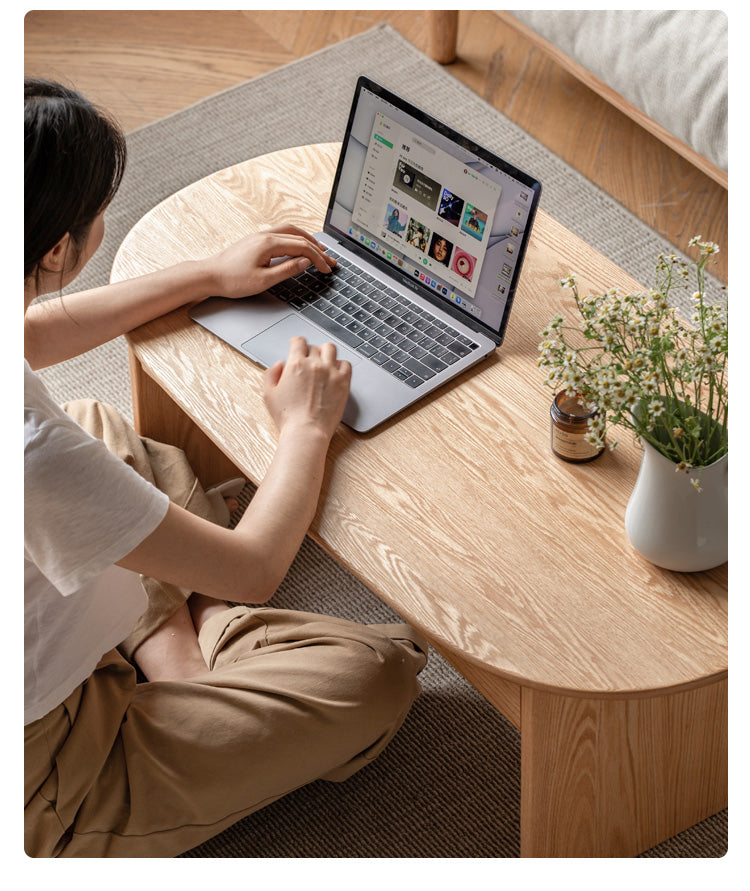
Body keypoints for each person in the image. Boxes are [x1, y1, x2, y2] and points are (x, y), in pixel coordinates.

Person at [24, 78, 428, 858]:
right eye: (96, 210)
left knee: (95, 421)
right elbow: (253, 568)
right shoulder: (32, 456)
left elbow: (33, 335)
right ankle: (201, 647)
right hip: (48, 770)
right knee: (373, 676)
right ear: (55, 249)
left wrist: (210, 273)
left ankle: (170, 650)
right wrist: (305, 430)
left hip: (47, 621)